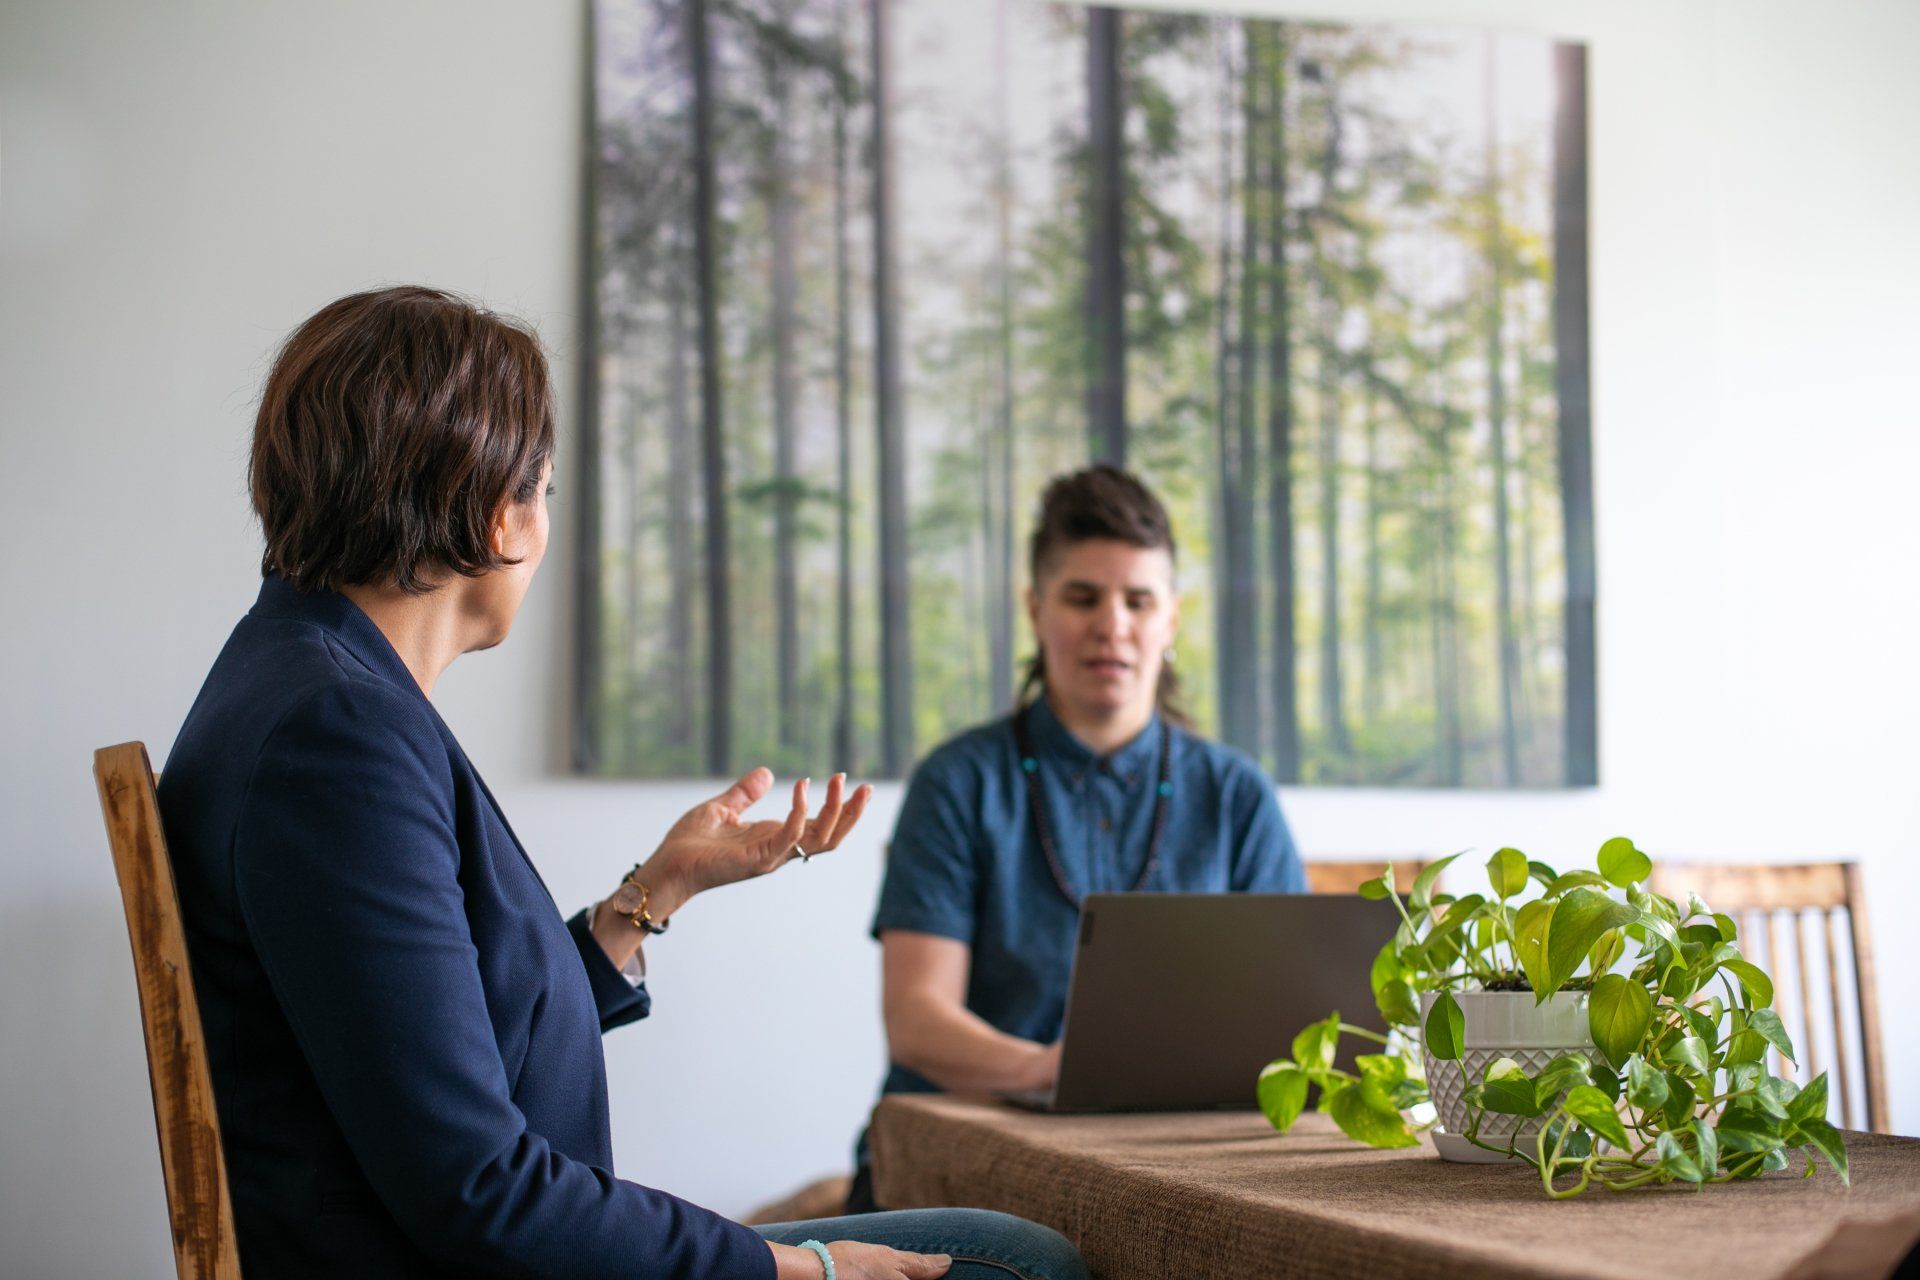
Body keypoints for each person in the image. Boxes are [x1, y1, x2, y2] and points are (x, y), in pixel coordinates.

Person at [157, 286, 1088, 1280]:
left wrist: (653, 895)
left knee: (1007, 1248)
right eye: (545, 487)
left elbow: (439, 1040)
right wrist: (797, 1270)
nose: (544, 523)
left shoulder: (300, 678)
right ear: (491, 510)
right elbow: (480, 1189)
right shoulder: (338, 737)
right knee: (1015, 1267)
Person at [848, 465, 1306, 1212]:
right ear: (1036, 609)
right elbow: (917, 1022)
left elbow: (1291, 1021)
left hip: (1176, 1160)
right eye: (1082, 597)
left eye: (1139, 600)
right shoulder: (958, 781)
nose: (1112, 625)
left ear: (1172, 620)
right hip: (963, 1157)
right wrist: (1047, 1069)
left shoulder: (1237, 794)